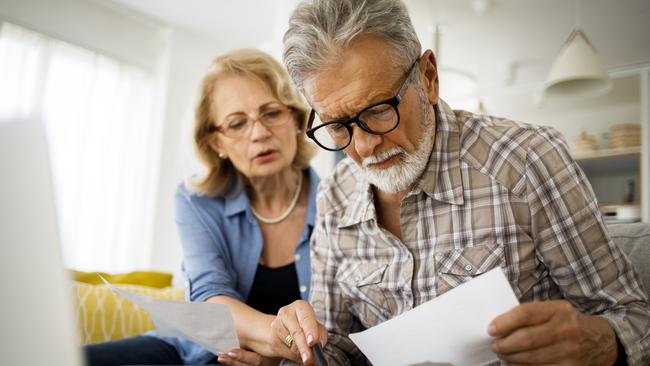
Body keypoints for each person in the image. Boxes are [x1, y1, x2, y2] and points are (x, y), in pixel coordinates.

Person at [271, 1, 650, 365]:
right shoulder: (335, 196)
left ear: (428, 78)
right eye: (338, 127)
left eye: (379, 109)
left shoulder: (527, 160)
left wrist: (600, 343)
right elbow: (335, 344)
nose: (365, 146)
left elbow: (633, 316)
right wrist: (303, 349)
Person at [85, 48, 318, 366]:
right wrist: (282, 343)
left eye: (272, 113)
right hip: (188, 352)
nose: (260, 133)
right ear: (216, 143)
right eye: (237, 124)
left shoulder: (335, 201)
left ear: (295, 118)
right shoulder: (195, 200)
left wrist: (277, 361)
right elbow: (210, 297)